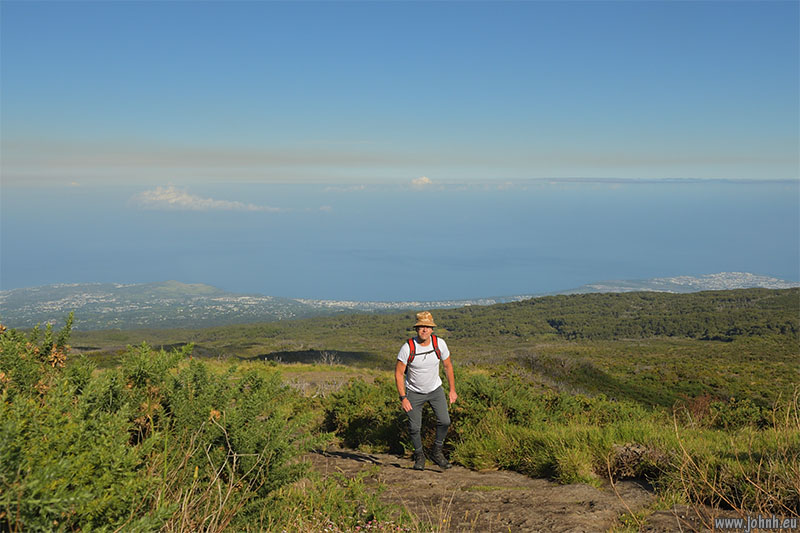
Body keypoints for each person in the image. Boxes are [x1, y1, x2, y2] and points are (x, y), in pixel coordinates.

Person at [395, 311, 457, 470]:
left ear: (432, 329)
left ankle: (437, 452)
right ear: (416, 329)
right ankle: (419, 456)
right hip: (414, 392)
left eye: (428, 327)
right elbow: (398, 373)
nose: (424, 330)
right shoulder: (408, 347)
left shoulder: (439, 344)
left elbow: (448, 366)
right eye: (421, 327)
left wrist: (452, 390)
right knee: (415, 427)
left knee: (445, 421)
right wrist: (403, 397)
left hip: (435, 390)